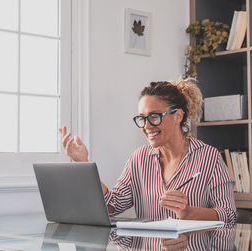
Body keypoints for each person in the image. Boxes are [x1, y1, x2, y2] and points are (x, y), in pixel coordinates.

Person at [59, 79, 236, 223]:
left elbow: (229, 214)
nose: (147, 126)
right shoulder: (139, 158)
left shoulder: (208, 157)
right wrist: (84, 164)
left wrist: (189, 213)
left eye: (154, 116)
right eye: (142, 119)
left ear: (178, 116)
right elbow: (112, 204)